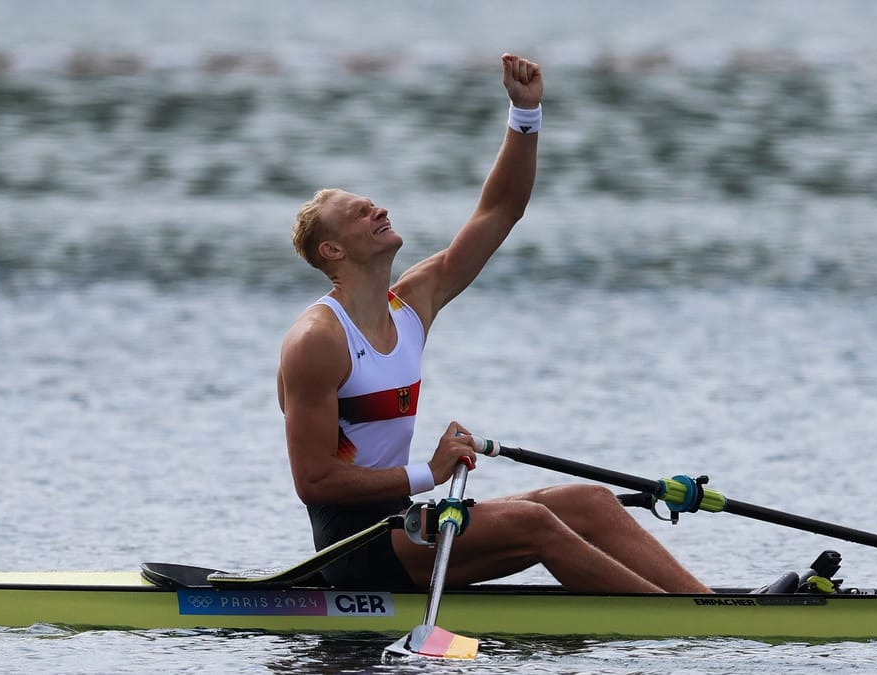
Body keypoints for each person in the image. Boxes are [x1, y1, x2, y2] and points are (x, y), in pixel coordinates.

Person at [277, 53, 712, 594]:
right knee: (532, 522)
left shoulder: (413, 302)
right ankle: (689, 632)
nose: (379, 209)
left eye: (374, 203)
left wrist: (523, 114)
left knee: (589, 501)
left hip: (402, 521)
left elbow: (499, 211)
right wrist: (430, 474)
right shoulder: (317, 340)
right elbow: (313, 480)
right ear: (333, 249)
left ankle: (706, 607)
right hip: (357, 547)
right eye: (360, 212)